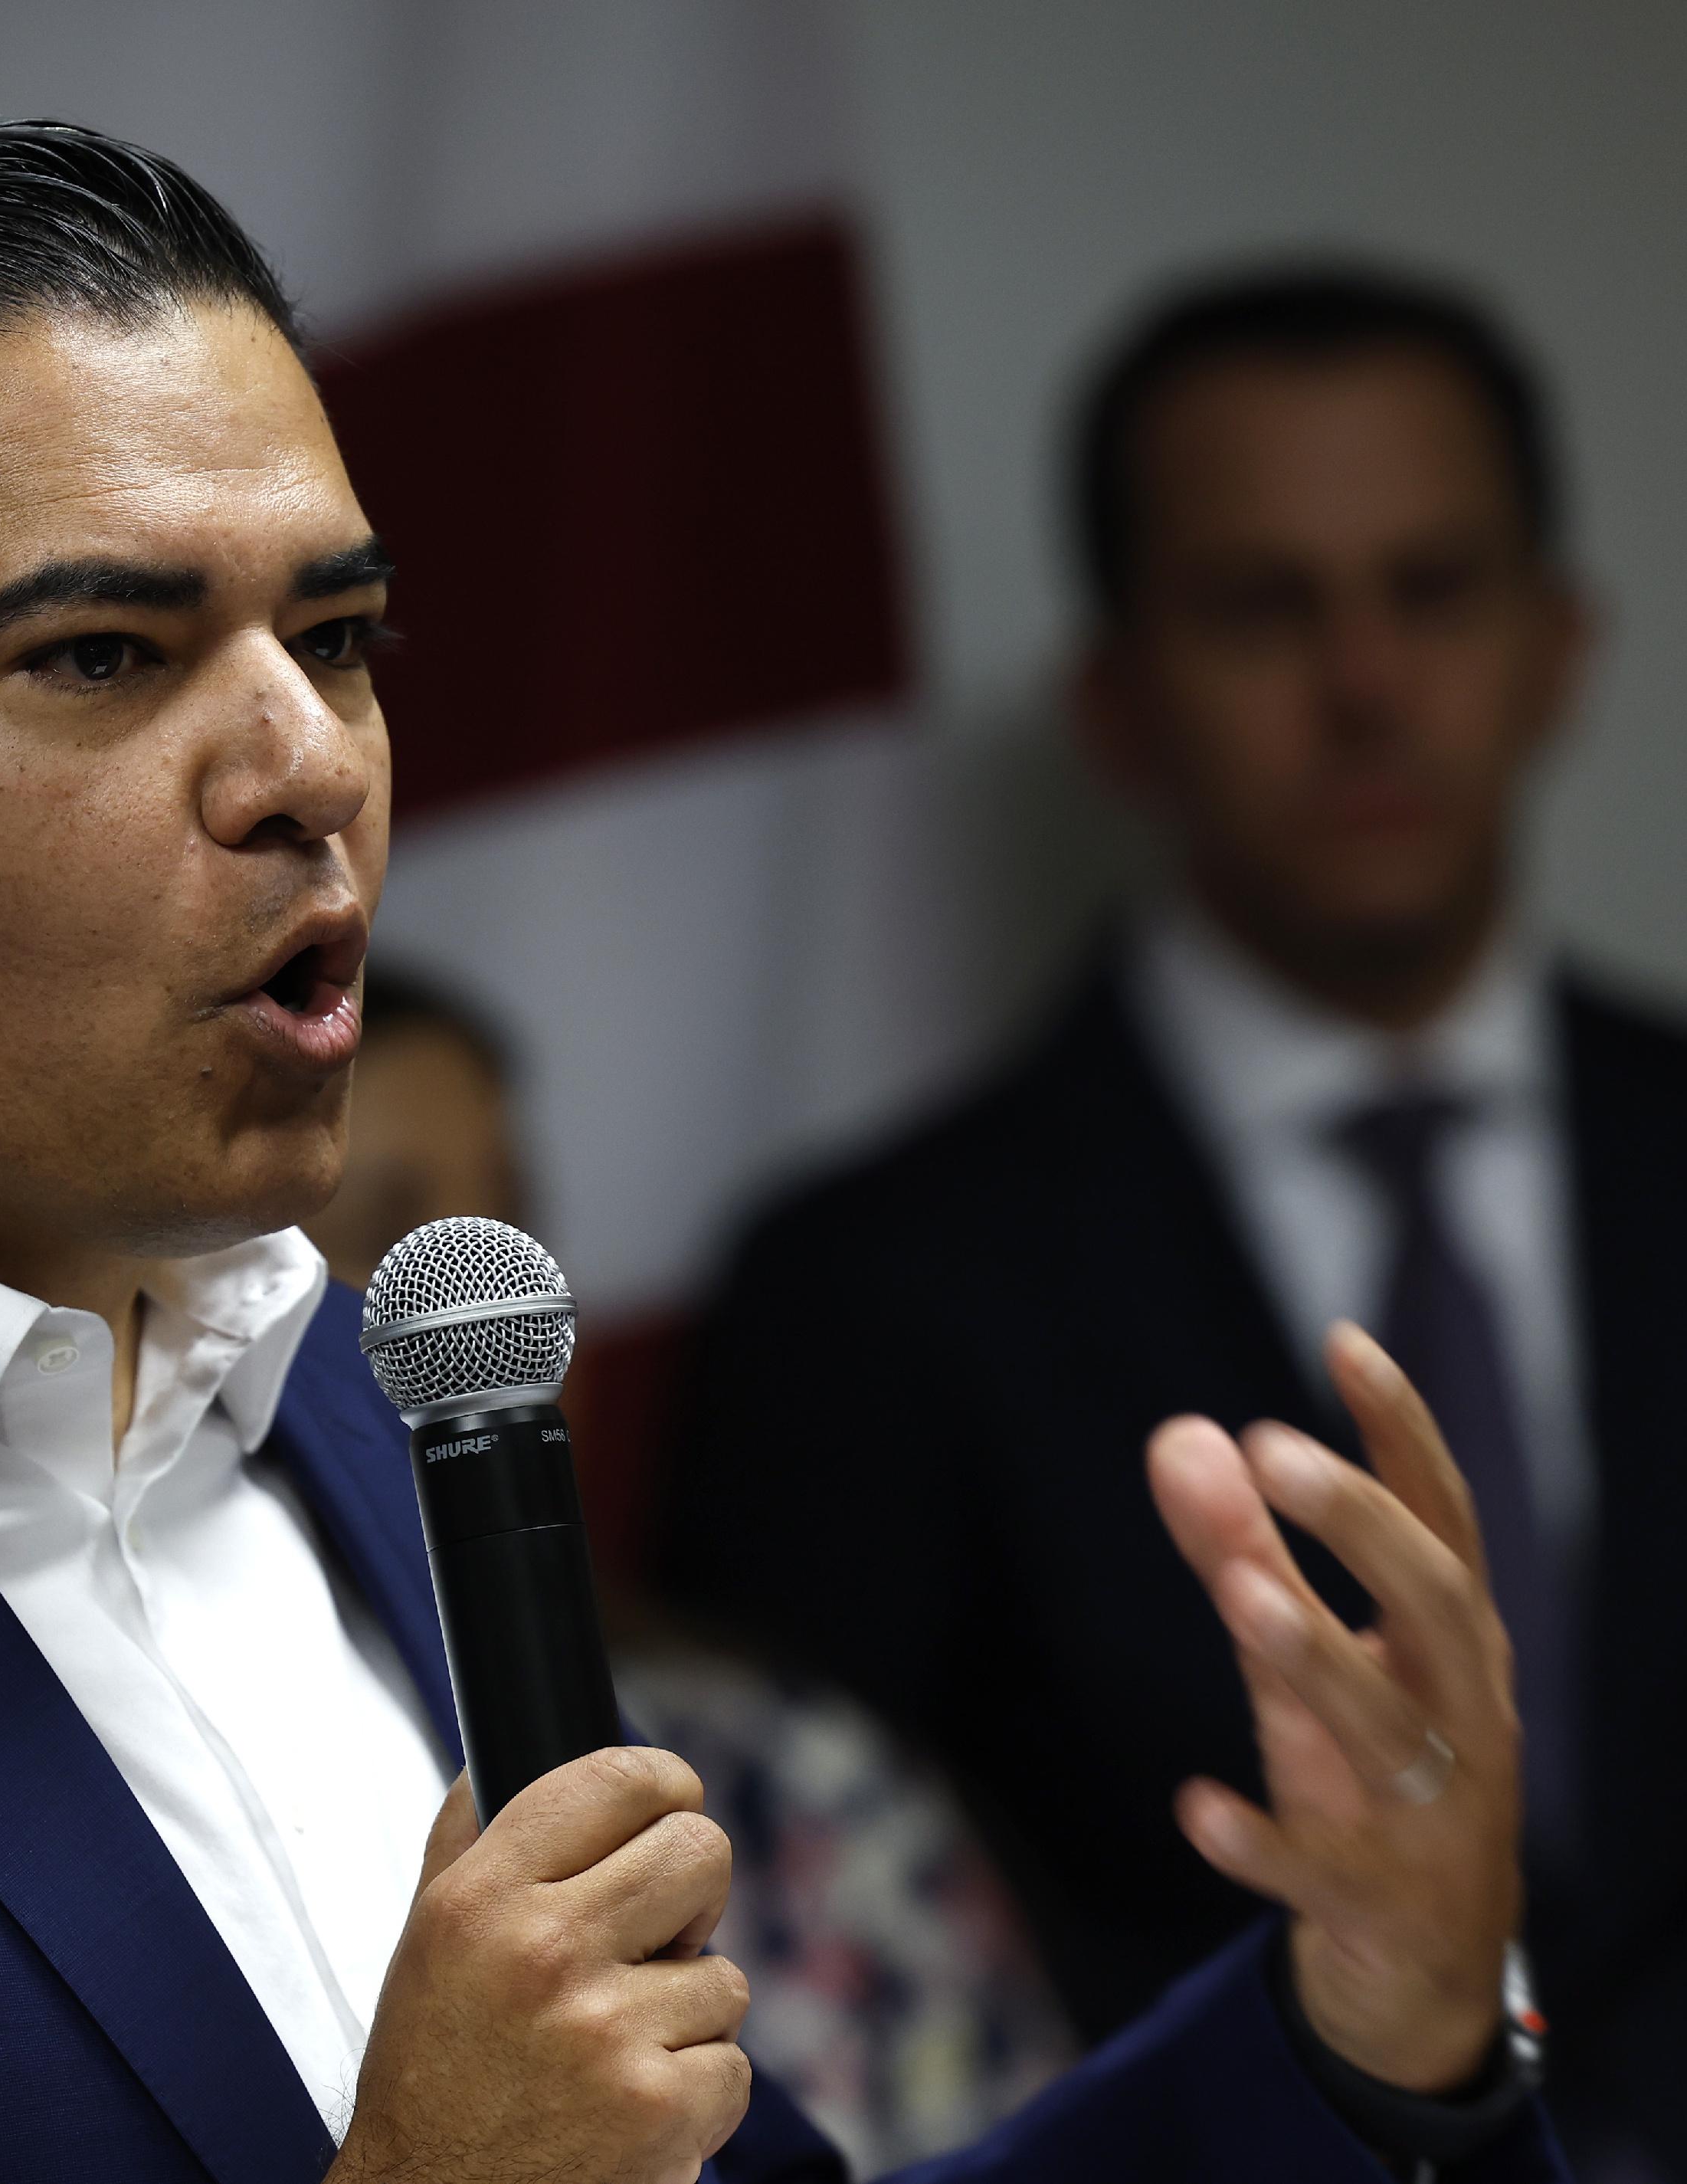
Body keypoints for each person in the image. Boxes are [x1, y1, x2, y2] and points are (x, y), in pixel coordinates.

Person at [0, 119, 1559, 2183]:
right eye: (101, 656)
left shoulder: (355, 1399)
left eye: (330, 638)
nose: (305, 765)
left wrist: (1355, 2042)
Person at [663, 264, 1684, 2179]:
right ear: (1116, 701)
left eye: (1434, 588)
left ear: (1561, 646)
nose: (1365, 680)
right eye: (1261, 606)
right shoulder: (862, 1292)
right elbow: (818, 1958)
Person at [310, 969, 1073, 2172]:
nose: (499, 1329)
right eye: (389, 1245)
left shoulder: (791, 1779)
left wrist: (1341, 2027)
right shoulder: (245, 1793)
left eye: (513, 1223)